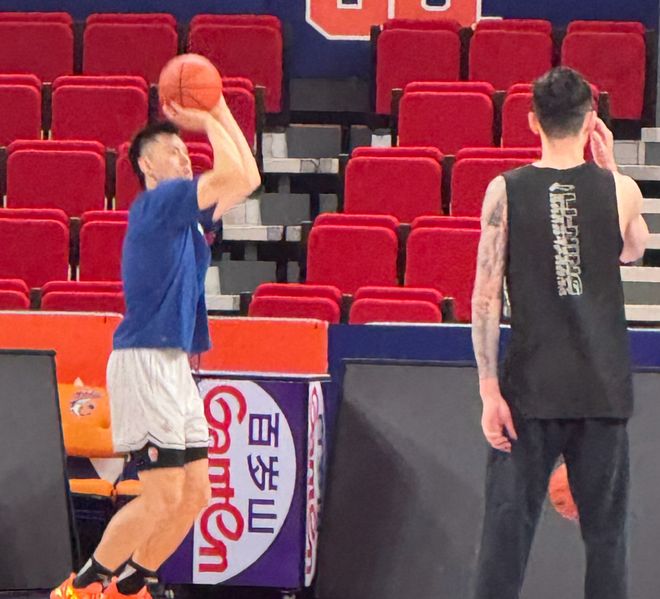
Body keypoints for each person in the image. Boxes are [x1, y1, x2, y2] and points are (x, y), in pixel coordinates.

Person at [52, 97, 260, 599]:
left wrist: (220, 110)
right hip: (144, 359)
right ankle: (80, 587)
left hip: (173, 365)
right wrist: (207, 118)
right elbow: (232, 171)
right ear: (146, 166)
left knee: (196, 494)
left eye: (186, 150)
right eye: (172, 150)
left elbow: (248, 178)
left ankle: (131, 586)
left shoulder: (186, 216)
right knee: (163, 494)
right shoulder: (159, 203)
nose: (185, 157)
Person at [471, 66, 649, 599]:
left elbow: (485, 297)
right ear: (592, 120)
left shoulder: (504, 190)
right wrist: (611, 168)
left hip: (530, 390)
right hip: (601, 390)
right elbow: (633, 248)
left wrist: (487, 390)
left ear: (532, 121)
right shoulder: (621, 190)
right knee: (607, 544)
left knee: (503, 541)